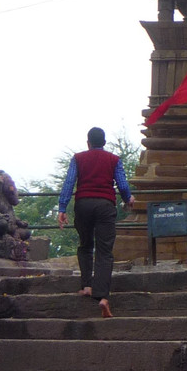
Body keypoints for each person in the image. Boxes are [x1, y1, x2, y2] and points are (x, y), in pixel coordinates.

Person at [57, 127, 135, 318]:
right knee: (104, 251)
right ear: (104, 143)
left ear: (88, 143)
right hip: (105, 205)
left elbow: (69, 183)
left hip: (83, 204)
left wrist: (62, 208)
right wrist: (128, 198)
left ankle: (86, 286)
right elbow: (122, 184)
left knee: (85, 245)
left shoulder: (78, 158)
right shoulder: (114, 160)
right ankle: (102, 297)